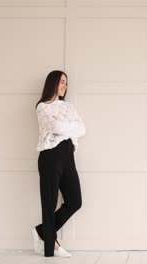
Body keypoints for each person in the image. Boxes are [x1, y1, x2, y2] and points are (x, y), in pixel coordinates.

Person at [31, 70, 86, 257]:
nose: (64, 86)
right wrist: (68, 126)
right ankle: (50, 250)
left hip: (68, 156)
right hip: (50, 156)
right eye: (62, 82)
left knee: (75, 201)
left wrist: (66, 126)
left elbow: (82, 128)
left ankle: (42, 231)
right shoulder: (43, 107)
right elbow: (56, 127)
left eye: (66, 83)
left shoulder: (68, 107)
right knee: (49, 202)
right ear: (52, 83)